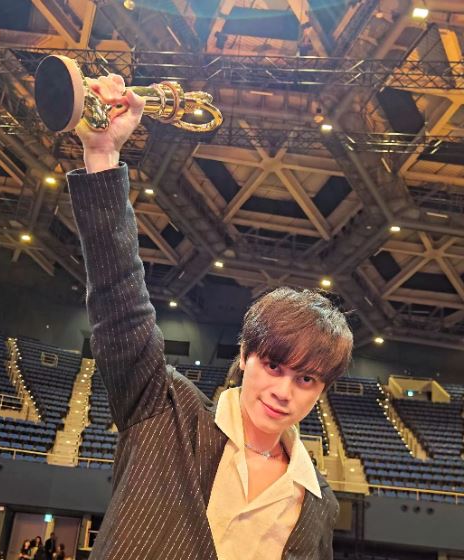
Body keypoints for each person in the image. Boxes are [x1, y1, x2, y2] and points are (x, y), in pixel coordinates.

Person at [67, 74, 353, 560]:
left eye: (305, 379)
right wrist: (102, 155)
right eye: (274, 366)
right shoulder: (163, 409)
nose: (283, 392)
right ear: (245, 356)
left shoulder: (318, 504)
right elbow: (120, 301)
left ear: (322, 390)